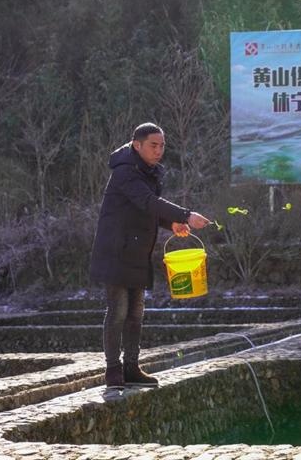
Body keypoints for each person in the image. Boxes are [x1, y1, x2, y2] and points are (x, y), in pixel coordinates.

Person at [89, 122, 210, 389]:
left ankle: (132, 367)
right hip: (116, 249)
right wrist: (185, 214)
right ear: (137, 145)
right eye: (153, 145)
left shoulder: (150, 171)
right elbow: (147, 201)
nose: (159, 151)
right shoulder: (125, 172)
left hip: (138, 249)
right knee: (118, 311)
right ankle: (113, 370)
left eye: (162, 146)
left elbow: (147, 210)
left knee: (136, 313)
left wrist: (172, 224)